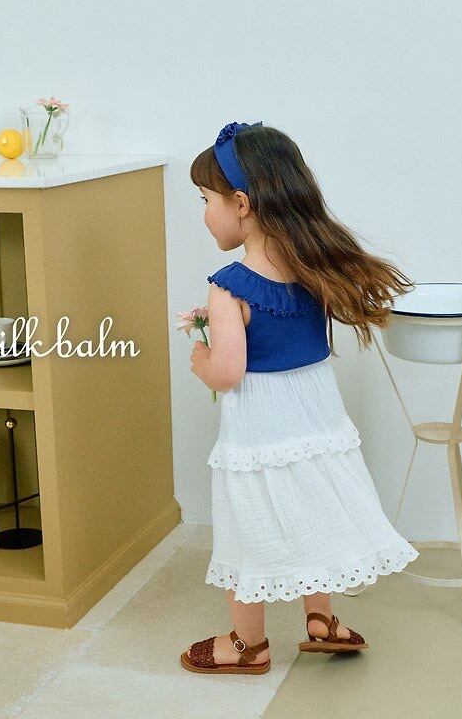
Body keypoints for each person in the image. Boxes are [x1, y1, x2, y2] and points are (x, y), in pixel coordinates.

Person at [180, 121, 420, 676]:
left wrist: (200, 358)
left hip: (260, 425)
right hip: (315, 418)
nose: (205, 214)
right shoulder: (316, 268)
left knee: (251, 521)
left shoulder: (229, 285)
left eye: (206, 200)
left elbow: (227, 372)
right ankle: (321, 621)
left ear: (242, 204)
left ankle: (248, 644)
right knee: (314, 508)